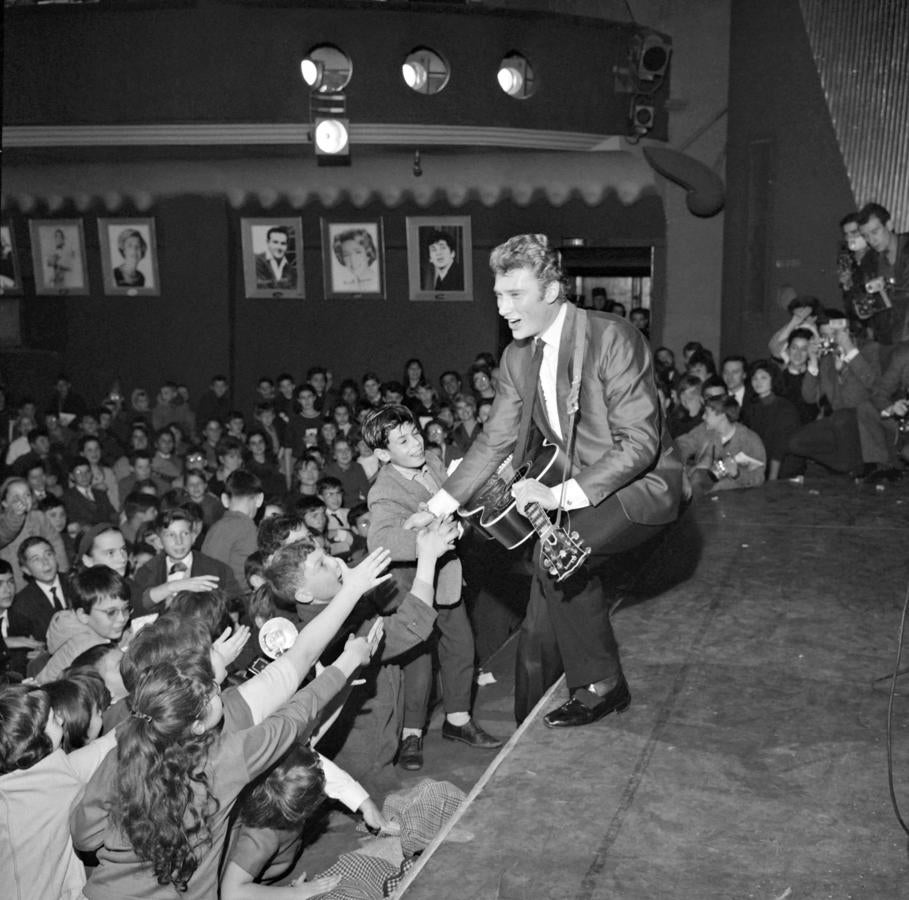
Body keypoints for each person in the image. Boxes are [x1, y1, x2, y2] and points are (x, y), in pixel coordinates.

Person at [422, 233, 682, 727]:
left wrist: (557, 493)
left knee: (556, 555)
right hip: (571, 490)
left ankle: (604, 684)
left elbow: (639, 445)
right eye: (497, 295)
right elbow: (493, 442)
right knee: (542, 620)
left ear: (551, 289)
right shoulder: (517, 358)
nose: (502, 308)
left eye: (514, 295)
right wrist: (436, 506)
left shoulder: (613, 337)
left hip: (639, 486)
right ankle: (528, 726)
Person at [364, 405, 501, 767]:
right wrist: (426, 535)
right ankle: (412, 735)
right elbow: (382, 541)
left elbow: (457, 511)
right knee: (418, 661)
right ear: (382, 454)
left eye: (415, 433)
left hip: (447, 577)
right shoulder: (382, 490)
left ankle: (458, 720)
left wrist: (459, 528)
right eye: (402, 440)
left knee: (461, 646)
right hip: (411, 586)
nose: (415, 443)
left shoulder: (435, 463)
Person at [857, 202, 909, 345]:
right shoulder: (869, 261)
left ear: (889, 225)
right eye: (865, 236)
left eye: (875, 232)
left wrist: (886, 287)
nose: (871, 240)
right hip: (890, 341)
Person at [331, 227, 380, 292]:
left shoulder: (378, 283)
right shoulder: (349, 288)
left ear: (368, 254)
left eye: (358, 252)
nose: (352, 259)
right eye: (346, 255)